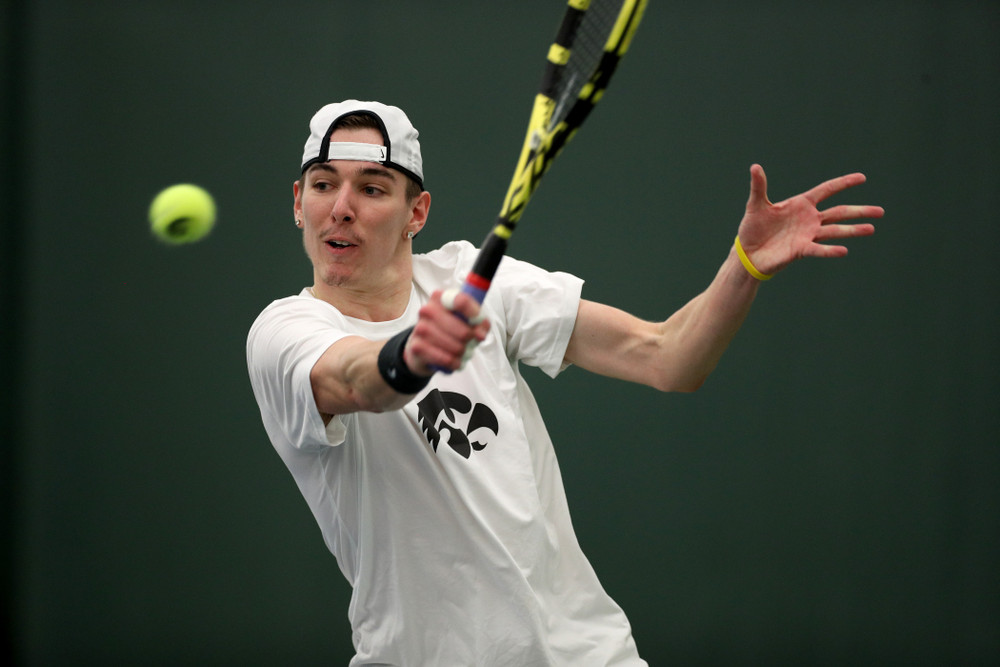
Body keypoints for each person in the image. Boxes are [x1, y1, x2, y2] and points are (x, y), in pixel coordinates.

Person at [246, 99, 883, 665]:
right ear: (299, 202)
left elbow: (668, 357)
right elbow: (356, 381)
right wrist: (414, 353)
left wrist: (745, 267)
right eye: (323, 185)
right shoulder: (283, 332)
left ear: (417, 212)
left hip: (587, 653)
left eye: (373, 188)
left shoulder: (475, 279)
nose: (342, 208)